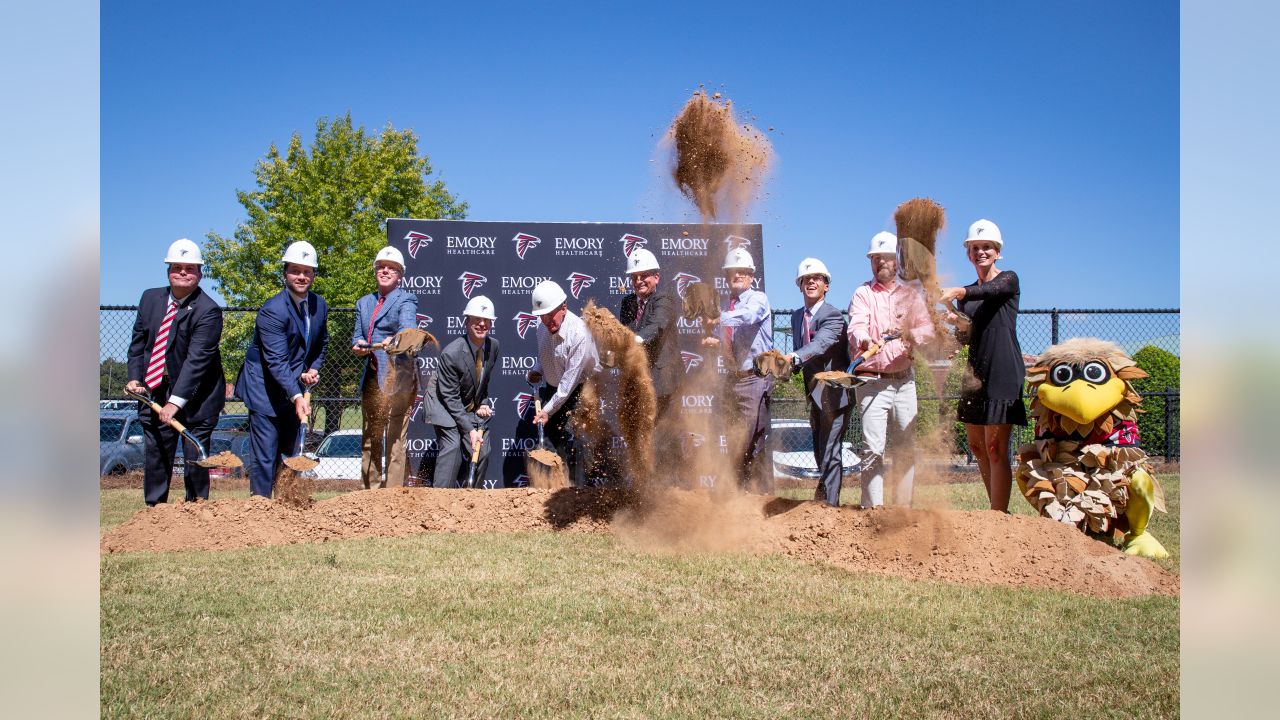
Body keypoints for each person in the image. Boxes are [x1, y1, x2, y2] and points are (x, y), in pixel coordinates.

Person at [124, 238, 225, 506]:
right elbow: (138, 345)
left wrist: (174, 403)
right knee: (157, 451)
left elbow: (197, 361)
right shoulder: (150, 298)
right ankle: (156, 512)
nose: (183, 272)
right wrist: (135, 378)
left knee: (195, 456)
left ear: (200, 273)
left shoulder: (208, 311)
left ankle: (197, 510)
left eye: (190, 268)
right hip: (155, 388)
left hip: (197, 395)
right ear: (168, 270)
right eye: (177, 267)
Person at [941, 218, 1027, 512]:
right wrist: (957, 325)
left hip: (1003, 370)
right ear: (968, 253)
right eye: (975, 247)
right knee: (978, 447)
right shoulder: (967, 296)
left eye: (986, 247)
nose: (981, 252)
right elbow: (966, 337)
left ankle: (999, 515)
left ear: (997, 251)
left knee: (996, 447)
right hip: (975, 374)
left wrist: (958, 294)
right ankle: (994, 512)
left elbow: (989, 291)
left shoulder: (1008, 280)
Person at [234, 240, 329, 498]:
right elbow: (276, 361)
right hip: (264, 389)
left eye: (307, 271)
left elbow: (321, 342)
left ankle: (287, 504)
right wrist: (297, 395)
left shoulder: (319, 305)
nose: (302, 276)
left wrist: (312, 368)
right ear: (285, 273)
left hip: (292, 386)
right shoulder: (273, 310)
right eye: (295, 270)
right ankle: (261, 507)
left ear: (314, 274)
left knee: (289, 452)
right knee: (266, 455)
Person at [847, 232, 935, 508]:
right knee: (873, 449)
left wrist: (910, 336)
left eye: (885, 257)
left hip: (904, 382)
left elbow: (928, 329)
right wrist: (864, 339)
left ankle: (902, 511)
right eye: (875, 258)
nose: (880, 262)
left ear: (896, 261)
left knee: (906, 449)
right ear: (870, 263)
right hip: (872, 381)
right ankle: (873, 512)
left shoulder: (910, 295)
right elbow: (856, 325)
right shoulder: (863, 293)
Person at [702, 246, 774, 491]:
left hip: (755, 378)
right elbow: (732, 338)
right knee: (737, 441)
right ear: (727, 276)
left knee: (751, 438)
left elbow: (749, 317)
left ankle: (758, 496)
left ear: (752, 276)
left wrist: (718, 318)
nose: (739, 275)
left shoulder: (757, 299)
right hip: (733, 379)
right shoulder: (727, 305)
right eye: (734, 272)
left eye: (744, 271)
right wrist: (716, 343)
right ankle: (739, 494)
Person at [784, 258, 852, 506]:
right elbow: (800, 355)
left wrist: (794, 357)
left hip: (836, 393)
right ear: (799, 285)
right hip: (814, 393)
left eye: (818, 278)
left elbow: (820, 344)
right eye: (806, 278)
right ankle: (823, 497)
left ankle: (830, 507)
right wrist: (784, 366)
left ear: (826, 286)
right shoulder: (796, 316)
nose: (811, 281)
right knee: (819, 449)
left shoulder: (833, 315)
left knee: (830, 450)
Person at [351, 246, 418, 489]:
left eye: (392, 268)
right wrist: (358, 346)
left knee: (396, 439)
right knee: (370, 436)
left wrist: (395, 340)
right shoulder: (363, 303)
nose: (385, 270)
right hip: (371, 377)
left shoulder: (406, 299)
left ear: (400, 275)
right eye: (381, 267)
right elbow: (357, 336)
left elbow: (408, 331)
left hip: (397, 378)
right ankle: (370, 491)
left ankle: (392, 495)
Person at [526, 280, 600, 487]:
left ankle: (578, 493)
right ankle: (554, 490)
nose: (547, 320)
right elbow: (545, 356)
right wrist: (537, 370)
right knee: (551, 441)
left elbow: (569, 383)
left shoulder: (579, 334)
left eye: (551, 314)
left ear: (564, 308)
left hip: (580, 391)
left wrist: (546, 410)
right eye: (543, 316)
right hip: (554, 390)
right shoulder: (542, 328)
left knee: (575, 441)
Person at [421, 295, 500, 488]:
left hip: (464, 403)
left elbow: (482, 380)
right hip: (441, 402)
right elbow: (450, 397)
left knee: (482, 451)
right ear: (466, 322)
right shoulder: (452, 353)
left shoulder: (493, 346)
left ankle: (471, 500)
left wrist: (483, 402)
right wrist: (470, 430)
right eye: (476, 320)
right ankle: (440, 502)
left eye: (486, 320)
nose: (482, 324)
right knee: (452, 447)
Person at [618, 248, 681, 419]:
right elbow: (623, 332)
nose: (639, 281)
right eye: (634, 277)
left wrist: (634, 340)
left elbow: (657, 325)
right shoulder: (628, 302)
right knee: (643, 437)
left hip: (664, 382)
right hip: (639, 380)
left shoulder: (664, 299)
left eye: (644, 275)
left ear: (656, 278)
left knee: (664, 439)